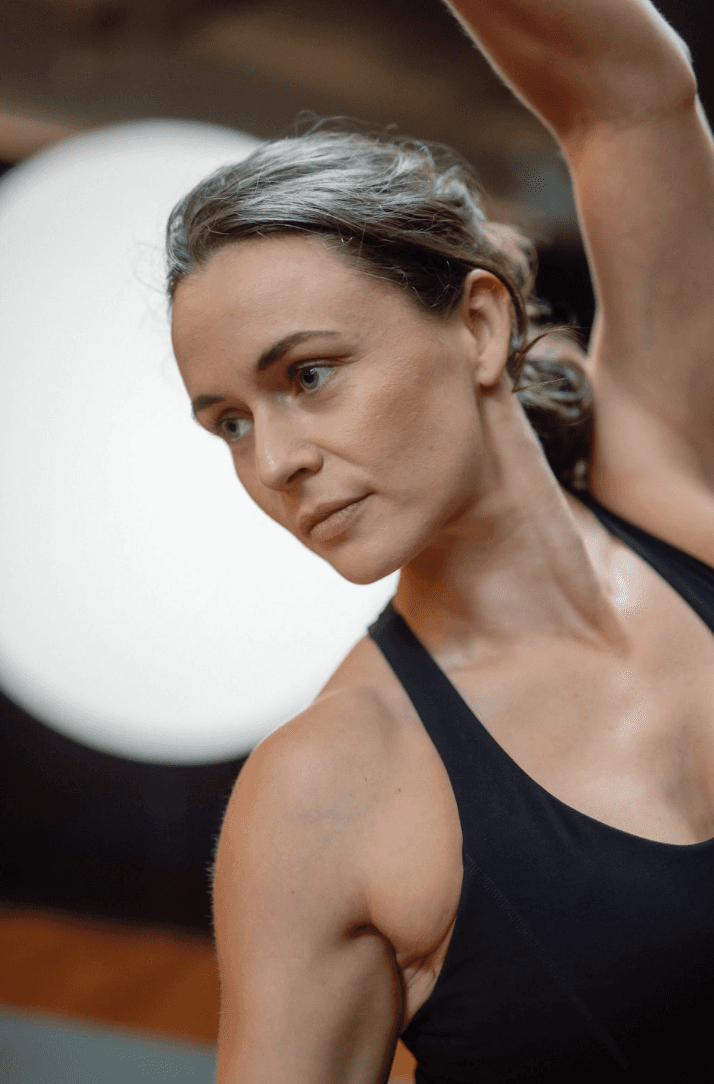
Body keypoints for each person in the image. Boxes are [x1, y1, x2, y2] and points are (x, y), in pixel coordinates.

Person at [166, 0, 714, 1080]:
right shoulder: (328, 793)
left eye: (308, 374)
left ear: (477, 324)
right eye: (230, 421)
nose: (272, 460)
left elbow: (631, 95)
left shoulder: (667, 486)